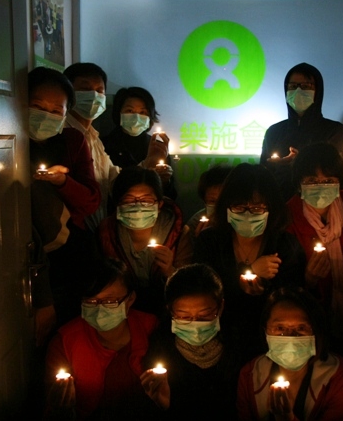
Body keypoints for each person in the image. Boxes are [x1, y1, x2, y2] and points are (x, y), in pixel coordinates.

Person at [193, 163, 306, 363]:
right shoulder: (209, 241)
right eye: (239, 207)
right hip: (218, 342)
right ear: (226, 206)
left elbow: (294, 299)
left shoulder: (284, 245)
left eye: (257, 208)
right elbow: (201, 292)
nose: (247, 214)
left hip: (271, 345)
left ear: (271, 208)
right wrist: (248, 272)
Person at [28, 66, 101, 332]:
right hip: (26, 250)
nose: (46, 116)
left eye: (56, 110)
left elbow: (91, 200)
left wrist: (62, 182)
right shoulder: (5, 140)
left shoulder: (72, 140)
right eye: (38, 106)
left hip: (70, 251)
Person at [44, 258, 160, 420]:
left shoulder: (150, 327)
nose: (99, 308)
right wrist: (62, 409)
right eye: (91, 301)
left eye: (110, 301)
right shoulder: (65, 341)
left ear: (130, 299)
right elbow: (51, 406)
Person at [286, 143, 343, 354]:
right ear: (299, 184)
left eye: (328, 181)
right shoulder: (288, 217)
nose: (320, 186)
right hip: (314, 315)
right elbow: (287, 279)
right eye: (312, 181)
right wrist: (308, 279)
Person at [237, 287, 343, 421]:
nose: (290, 338)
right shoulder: (250, 376)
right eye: (280, 328)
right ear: (265, 331)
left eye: (301, 328)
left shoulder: (338, 380)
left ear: (315, 331)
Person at [140, 264, 242, 420]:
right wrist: (162, 405)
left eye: (204, 315)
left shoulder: (238, 347)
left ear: (221, 307)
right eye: (184, 317)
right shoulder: (160, 351)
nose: (195, 324)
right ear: (170, 311)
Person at [98, 166, 182, 316]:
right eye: (129, 200)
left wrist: (170, 271)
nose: (138, 206)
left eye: (146, 200)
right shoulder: (106, 233)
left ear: (159, 204)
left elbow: (190, 286)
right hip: (122, 312)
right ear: (118, 204)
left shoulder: (178, 233)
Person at [260, 63, 343, 201]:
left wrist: (300, 162)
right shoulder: (274, 131)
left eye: (306, 86)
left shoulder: (334, 130)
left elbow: (334, 173)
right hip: (280, 204)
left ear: (318, 91)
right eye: (293, 86)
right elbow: (263, 176)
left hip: (322, 204)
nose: (298, 91)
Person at [62, 62, 120, 232]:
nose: (94, 96)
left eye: (99, 90)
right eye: (85, 89)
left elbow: (111, 178)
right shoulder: (62, 134)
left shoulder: (94, 137)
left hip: (95, 228)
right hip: (71, 231)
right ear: (68, 92)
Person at [103, 86, 176, 200]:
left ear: (150, 117)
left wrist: (165, 181)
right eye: (129, 111)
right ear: (119, 112)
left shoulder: (157, 147)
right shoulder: (104, 145)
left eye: (143, 112)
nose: (136, 117)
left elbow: (171, 195)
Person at [174, 163, 233, 267]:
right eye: (212, 201)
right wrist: (201, 242)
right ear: (204, 201)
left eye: (224, 200)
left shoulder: (244, 220)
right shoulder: (195, 225)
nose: (219, 207)